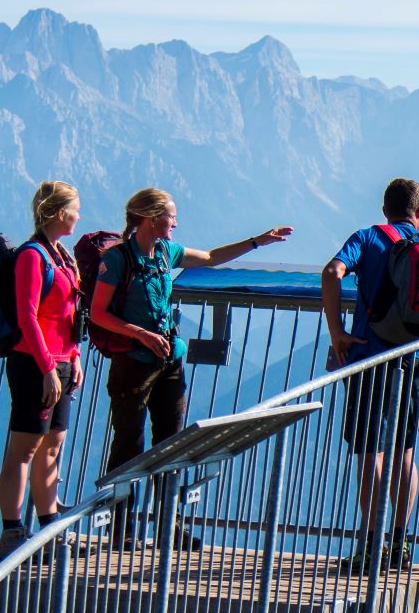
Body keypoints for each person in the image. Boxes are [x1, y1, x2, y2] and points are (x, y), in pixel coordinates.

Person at [92, 188, 292, 493]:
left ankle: (166, 524)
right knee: (129, 443)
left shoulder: (164, 252)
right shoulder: (118, 259)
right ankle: (123, 527)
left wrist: (256, 242)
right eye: (171, 215)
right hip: (133, 362)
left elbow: (211, 257)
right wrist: (141, 334)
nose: (176, 222)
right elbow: (98, 313)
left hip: (169, 358)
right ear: (151, 218)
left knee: (172, 444)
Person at [320, 176, 419, 572]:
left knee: (371, 453)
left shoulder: (368, 238)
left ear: (385, 209)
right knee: (404, 453)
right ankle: (399, 545)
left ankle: (370, 545)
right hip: (414, 361)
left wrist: (337, 334)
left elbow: (332, 273)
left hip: (369, 358)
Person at [0, 180, 84, 560]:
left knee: (53, 445)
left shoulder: (61, 255)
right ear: (61, 213)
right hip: (35, 364)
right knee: (24, 447)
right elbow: (27, 317)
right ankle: (13, 532)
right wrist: (48, 366)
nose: (80, 216)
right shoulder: (33, 257)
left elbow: (69, 314)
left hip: (61, 362)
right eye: (76, 209)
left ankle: (48, 528)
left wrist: (74, 355)